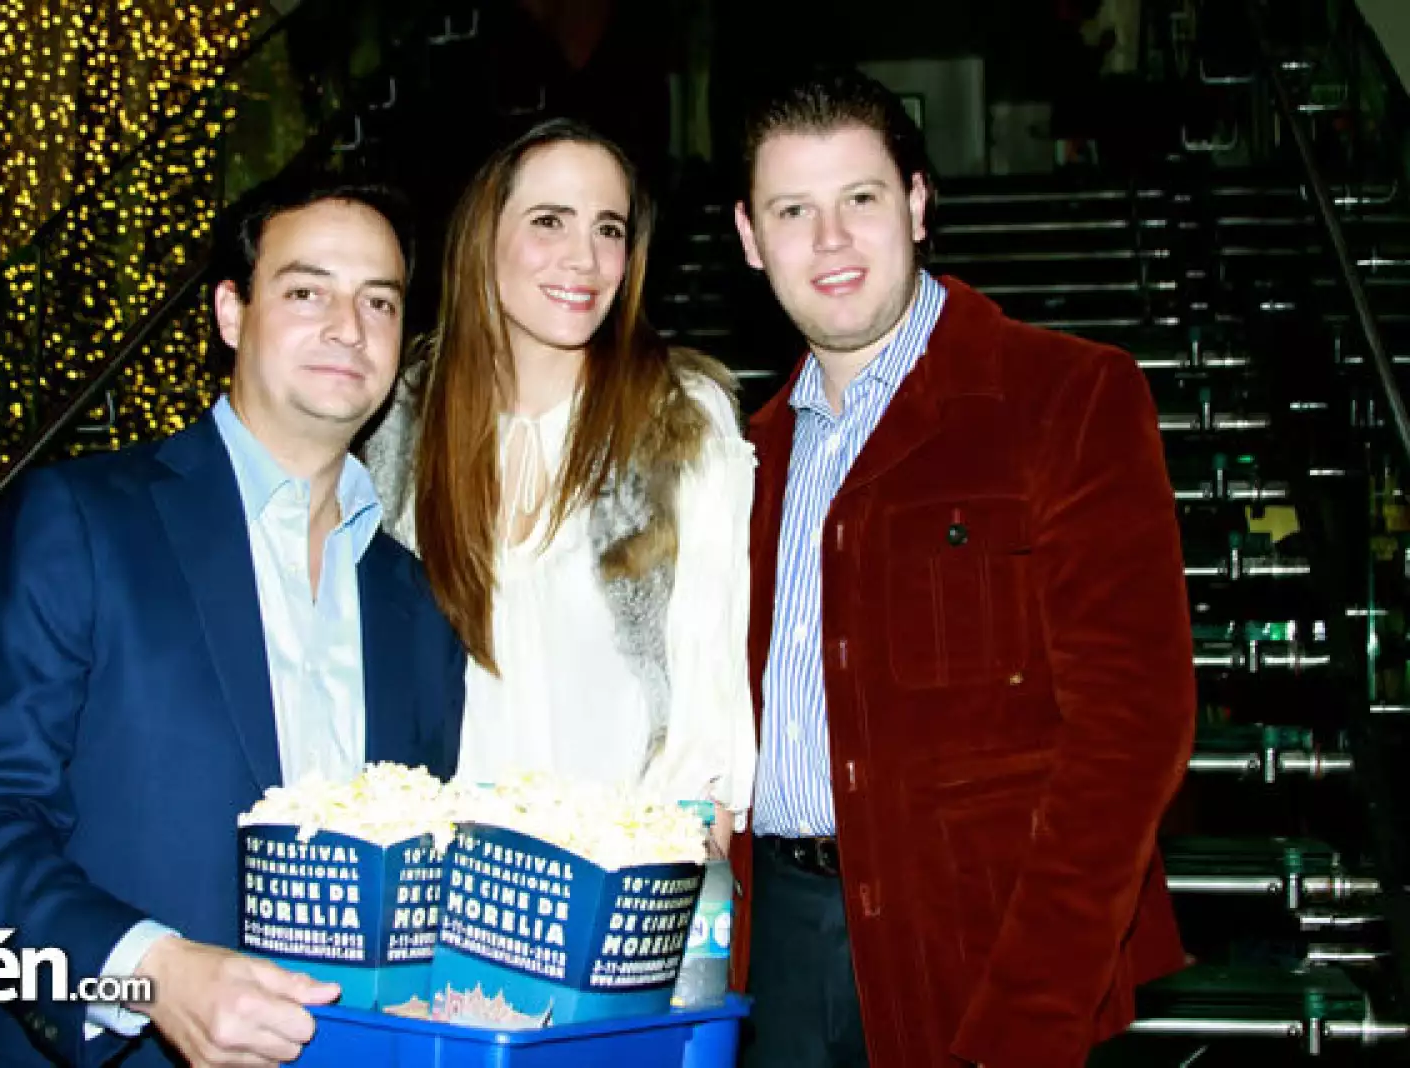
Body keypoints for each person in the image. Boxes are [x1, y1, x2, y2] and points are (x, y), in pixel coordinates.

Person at [0, 173, 467, 1068]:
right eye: (305, 290)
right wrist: (147, 970)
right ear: (231, 313)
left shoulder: (420, 600)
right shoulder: (84, 520)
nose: (347, 327)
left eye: (379, 301)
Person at [726, 69, 1196, 1068]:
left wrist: (1032, 1010)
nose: (831, 240)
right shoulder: (744, 454)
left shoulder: (1063, 398)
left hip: (982, 950)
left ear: (917, 203)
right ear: (749, 238)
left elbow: (1132, 726)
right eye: (792, 210)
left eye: (860, 198)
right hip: (779, 951)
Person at [363, 117, 756, 842]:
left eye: (609, 229)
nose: (585, 258)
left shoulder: (680, 422)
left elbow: (710, 712)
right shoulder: (396, 427)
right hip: (440, 892)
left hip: (617, 892)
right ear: (486, 237)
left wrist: (665, 893)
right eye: (551, 221)